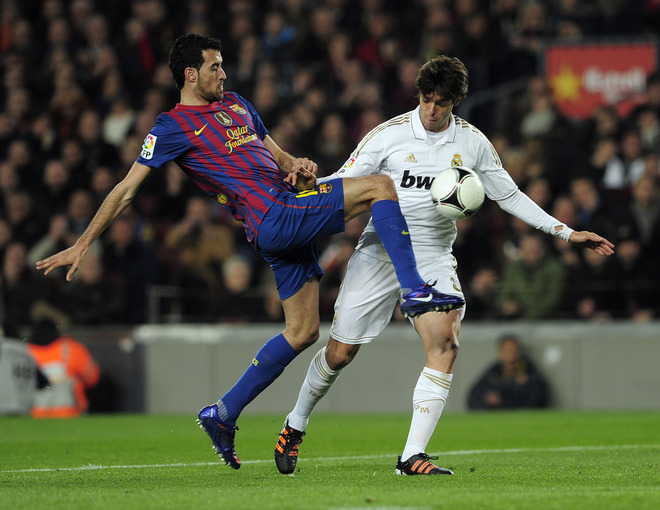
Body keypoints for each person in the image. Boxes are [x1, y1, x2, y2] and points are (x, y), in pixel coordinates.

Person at [35, 34, 461, 469]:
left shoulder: (237, 103)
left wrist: (299, 167)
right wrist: (82, 243)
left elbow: (277, 156)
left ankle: (223, 413)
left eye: (222, 65)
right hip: (275, 217)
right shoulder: (171, 127)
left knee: (303, 332)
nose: (223, 73)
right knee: (381, 186)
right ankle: (416, 291)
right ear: (190, 74)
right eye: (215, 67)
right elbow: (126, 191)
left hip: (285, 209)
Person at [274, 55, 614, 477]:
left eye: (442, 103)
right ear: (419, 94)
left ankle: (411, 456)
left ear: (457, 101)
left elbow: (508, 195)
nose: (432, 111)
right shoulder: (387, 136)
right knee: (340, 354)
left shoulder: (472, 142)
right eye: (427, 99)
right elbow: (343, 182)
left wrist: (565, 232)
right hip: (380, 251)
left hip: (433, 254)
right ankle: (295, 424)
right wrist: (303, 189)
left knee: (445, 345)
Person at [27, 319, 100, 418]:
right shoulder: (72, 349)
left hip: (31, 416)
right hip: (71, 414)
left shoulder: (24, 353)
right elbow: (93, 379)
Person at [467, 334, 549, 410]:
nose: (511, 355)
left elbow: (538, 400)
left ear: (519, 352)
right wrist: (486, 399)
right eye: (507, 351)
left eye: (514, 351)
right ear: (500, 353)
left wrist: (505, 400)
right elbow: (473, 396)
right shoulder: (493, 372)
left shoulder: (529, 372)